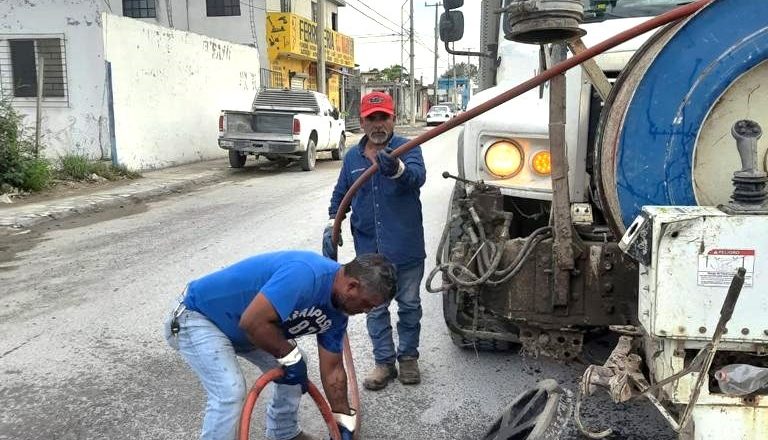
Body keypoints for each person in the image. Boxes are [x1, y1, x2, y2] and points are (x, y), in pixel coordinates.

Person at [163, 251, 397, 440]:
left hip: (246, 331)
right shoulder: (306, 275)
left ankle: (283, 433)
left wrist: (342, 421)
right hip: (197, 317)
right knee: (230, 390)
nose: (365, 312)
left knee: (296, 366)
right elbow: (253, 322)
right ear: (352, 286)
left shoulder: (338, 312)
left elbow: (333, 369)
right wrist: (290, 358)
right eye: (367, 304)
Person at [324, 91, 427, 391]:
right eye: (372, 119)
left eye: (384, 117)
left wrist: (397, 169)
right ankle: (384, 363)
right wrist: (333, 224)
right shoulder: (353, 158)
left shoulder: (408, 147)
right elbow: (341, 195)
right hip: (369, 254)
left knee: (409, 305)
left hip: (405, 247)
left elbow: (418, 177)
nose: (379, 125)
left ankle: (408, 358)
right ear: (362, 122)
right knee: (375, 308)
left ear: (393, 119)